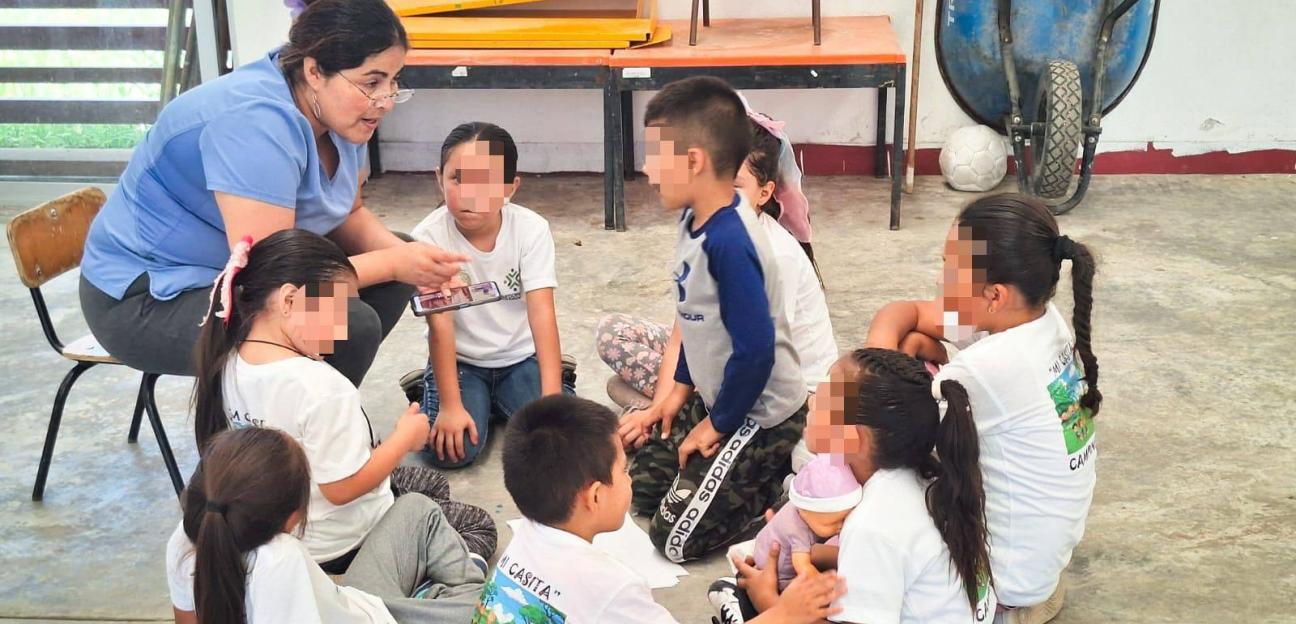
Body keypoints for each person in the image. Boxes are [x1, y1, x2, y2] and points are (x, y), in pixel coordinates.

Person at [79, 0, 465, 387]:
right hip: (149, 298)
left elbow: (346, 212)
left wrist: (409, 261)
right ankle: (286, 433)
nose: (385, 100)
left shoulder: (342, 110)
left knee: (391, 261)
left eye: (394, 81)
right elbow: (273, 276)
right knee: (350, 322)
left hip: (230, 272)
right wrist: (397, 264)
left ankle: (310, 405)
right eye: (372, 82)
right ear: (314, 70)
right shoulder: (255, 124)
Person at [191, 229, 496, 573]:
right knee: (477, 525)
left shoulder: (230, 359)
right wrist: (403, 440)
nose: (341, 329)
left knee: (431, 484)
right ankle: (419, 581)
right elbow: (341, 488)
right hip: (343, 542)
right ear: (289, 301)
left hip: (290, 528)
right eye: (337, 310)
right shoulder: (323, 387)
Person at [864, 194, 1101, 622]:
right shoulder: (1037, 320)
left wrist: (883, 364)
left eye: (949, 269)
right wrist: (898, 352)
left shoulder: (993, 365)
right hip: (1039, 569)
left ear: (994, 295)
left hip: (1000, 587)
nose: (940, 279)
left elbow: (879, 415)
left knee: (869, 480)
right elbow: (907, 312)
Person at [628, 76, 808, 563]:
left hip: (760, 413)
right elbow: (698, 320)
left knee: (672, 540)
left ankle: (778, 489)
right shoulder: (693, 219)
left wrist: (716, 424)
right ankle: (723, 470)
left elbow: (756, 351)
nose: (645, 169)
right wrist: (678, 392)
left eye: (653, 155)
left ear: (693, 161)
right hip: (717, 394)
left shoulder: (732, 242)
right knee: (638, 493)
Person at [474, 394, 843, 623]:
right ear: (596, 496)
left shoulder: (524, 543)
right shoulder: (612, 586)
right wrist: (782, 613)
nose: (631, 478)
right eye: (623, 471)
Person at [723, 348, 996, 624]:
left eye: (823, 399)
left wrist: (771, 604)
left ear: (849, 437)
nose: (811, 402)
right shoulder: (924, 473)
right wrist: (811, 553)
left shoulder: (872, 523)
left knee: (738, 597)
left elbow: (878, 546)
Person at [597, 111, 836, 414]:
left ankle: (684, 418)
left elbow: (758, 358)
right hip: (727, 358)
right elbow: (680, 335)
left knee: (628, 391)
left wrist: (667, 408)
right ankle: (670, 413)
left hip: (789, 392)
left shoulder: (775, 256)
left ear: (765, 193)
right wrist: (661, 406)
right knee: (612, 334)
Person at [166, 427, 485, 624]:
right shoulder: (281, 560)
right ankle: (444, 595)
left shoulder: (183, 538)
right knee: (505, 606)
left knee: (416, 507)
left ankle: (438, 595)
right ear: (293, 517)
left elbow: (186, 618)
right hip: (374, 615)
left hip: (352, 602)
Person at [409, 122, 573, 469]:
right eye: (458, 179)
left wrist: (552, 394)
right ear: (440, 178)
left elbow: (541, 312)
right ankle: (442, 393)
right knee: (451, 453)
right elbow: (440, 326)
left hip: (521, 359)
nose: (470, 193)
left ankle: (507, 398)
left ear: (511, 187)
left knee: (561, 442)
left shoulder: (531, 229)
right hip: (462, 362)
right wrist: (451, 407)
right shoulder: (426, 238)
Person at [751, 454, 861, 591]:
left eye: (844, 519)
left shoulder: (799, 507)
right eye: (832, 523)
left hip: (764, 548)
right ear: (805, 511)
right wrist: (823, 584)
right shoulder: (797, 532)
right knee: (802, 592)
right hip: (778, 575)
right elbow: (803, 567)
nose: (841, 526)